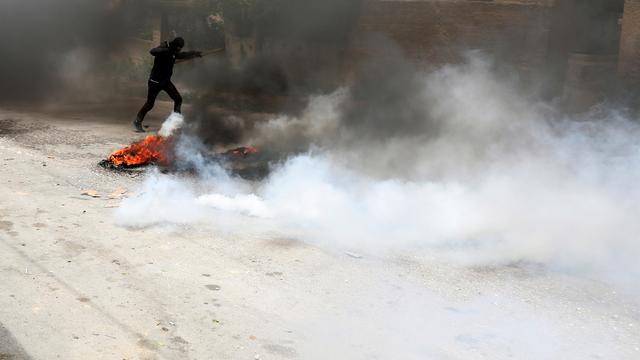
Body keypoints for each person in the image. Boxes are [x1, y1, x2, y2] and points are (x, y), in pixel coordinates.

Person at [134, 37, 202, 132]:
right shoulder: (165, 50)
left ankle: (175, 123)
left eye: (180, 48)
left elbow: (182, 55)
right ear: (175, 45)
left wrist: (194, 54)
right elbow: (152, 51)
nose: (179, 49)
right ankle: (137, 121)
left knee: (178, 99)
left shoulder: (173, 52)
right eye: (179, 47)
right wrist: (163, 48)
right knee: (150, 104)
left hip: (165, 82)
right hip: (155, 82)